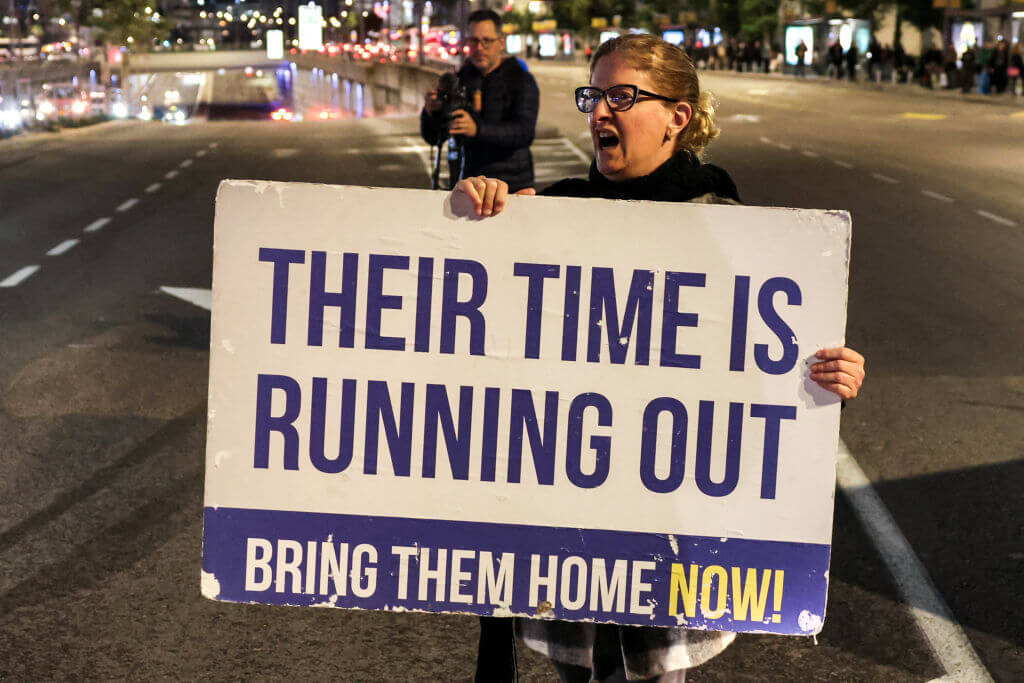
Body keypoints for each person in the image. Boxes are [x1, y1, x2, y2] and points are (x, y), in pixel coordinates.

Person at [453, 34, 867, 681]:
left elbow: (762, 365)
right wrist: (476, 209)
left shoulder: (726, 221)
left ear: (678, 116)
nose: (599, 113)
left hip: (669, 531)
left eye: (623, 96)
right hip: (572, 523)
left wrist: (830, 372)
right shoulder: (548, 214)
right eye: (594, 96)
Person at [420, 9, 540, 192]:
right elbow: (433, 137)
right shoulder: (459, 79)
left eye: (487, 41)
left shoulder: (520, 80)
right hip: (469, 184)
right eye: (474, 41)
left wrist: (477, 129)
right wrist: (431, 113)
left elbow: (524, 132)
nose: (479, 47)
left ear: (501, 42)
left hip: (512, 185)